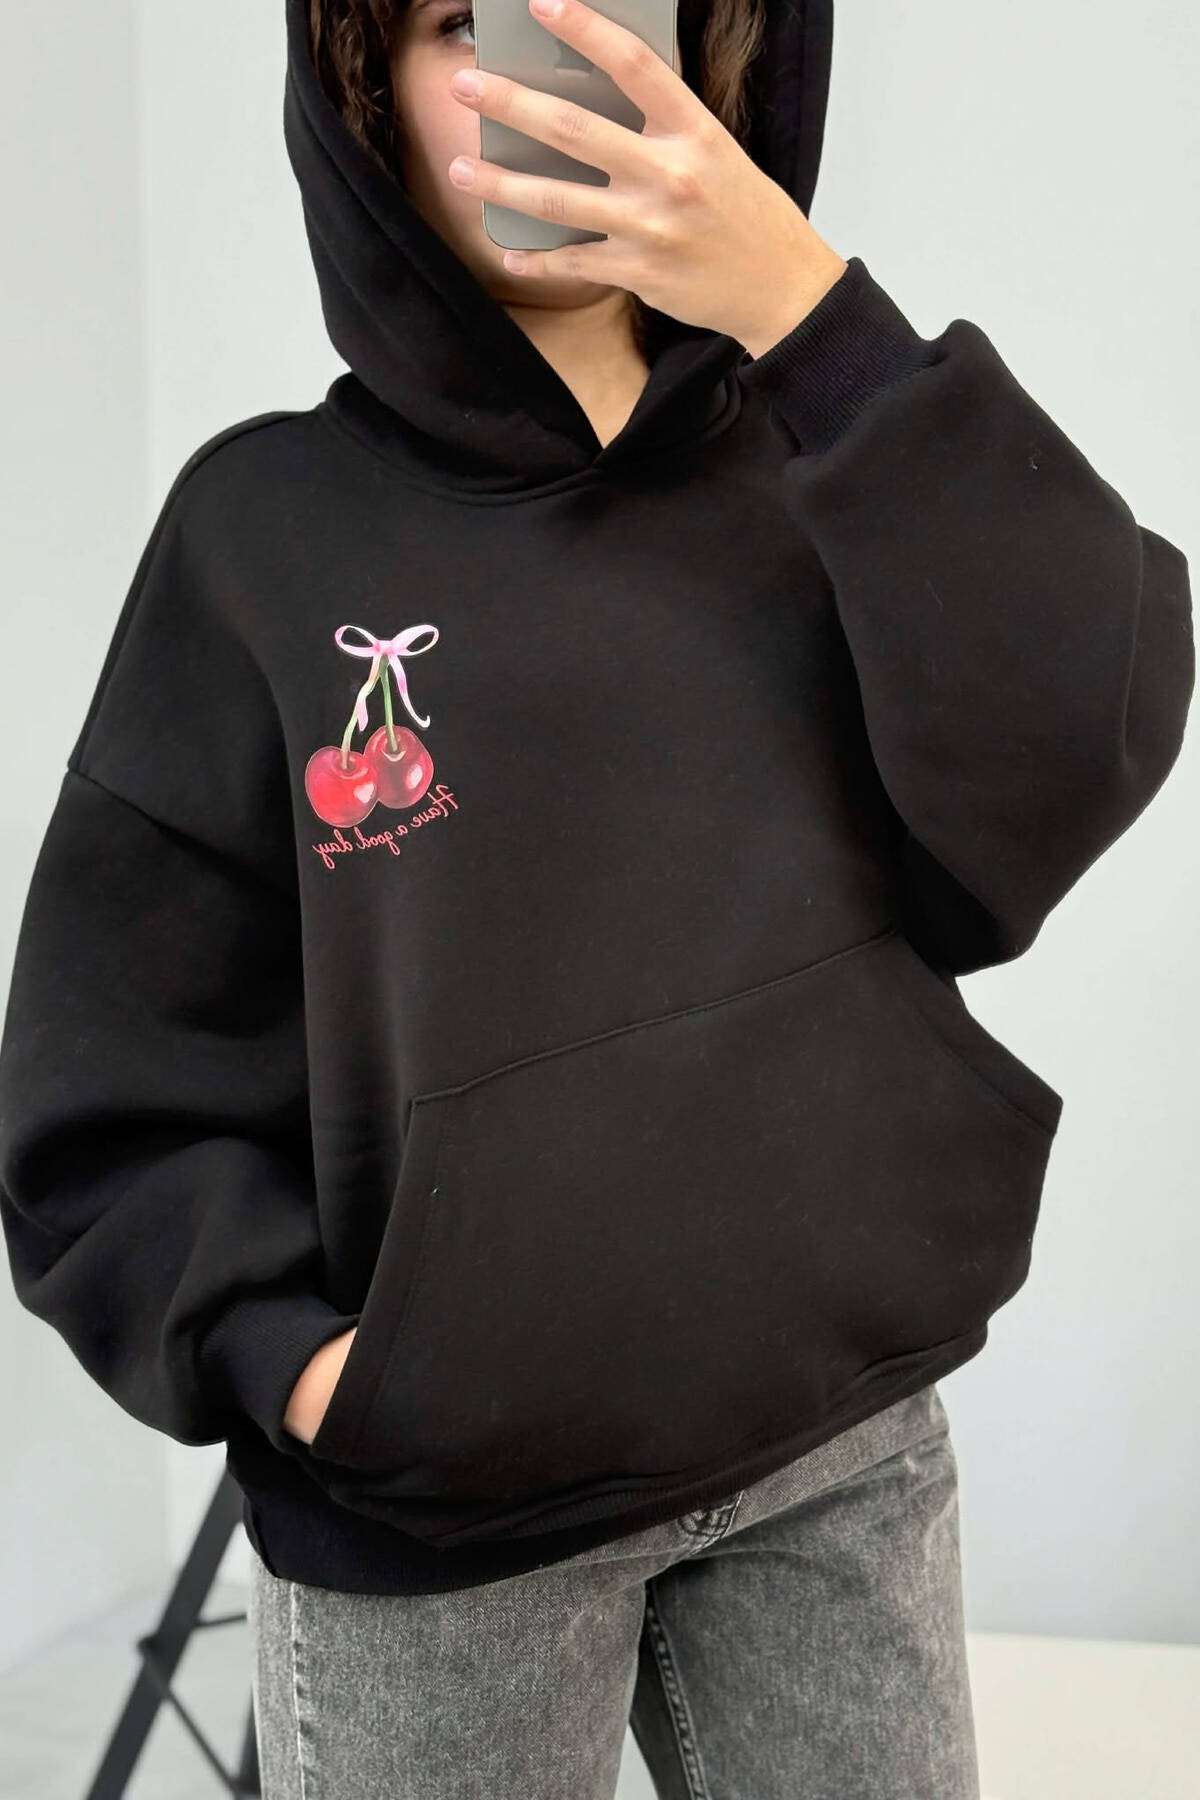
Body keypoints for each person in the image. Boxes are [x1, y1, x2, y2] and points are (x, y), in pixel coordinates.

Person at [0, 0, 1192, 1791]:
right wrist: (313, 1367)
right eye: (459, 21)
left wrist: (810, 311)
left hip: (838, 1449)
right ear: (359, 95)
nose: (540, 74)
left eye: (602, 5)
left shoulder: (838, 453)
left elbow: (1083, 732)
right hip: (446, 1532)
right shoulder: (263, 537)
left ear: (714, 53)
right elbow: (105, 1081)